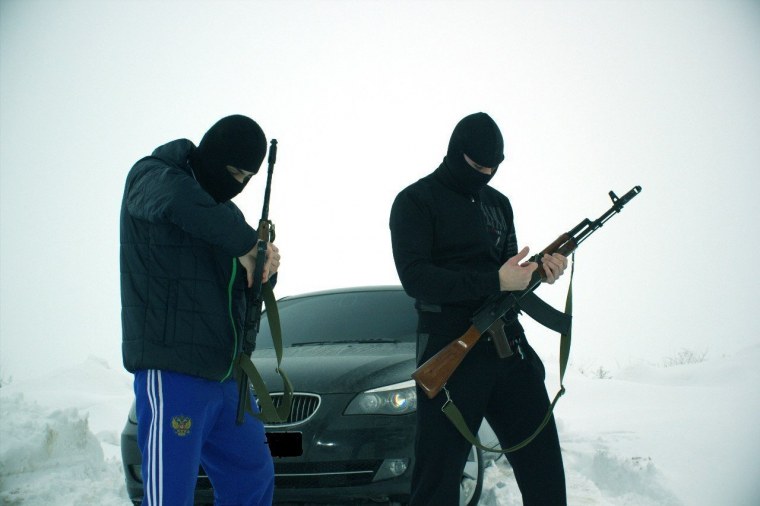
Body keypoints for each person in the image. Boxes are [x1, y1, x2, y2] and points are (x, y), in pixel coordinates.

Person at [389, 112, 568, 505]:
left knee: (546, 476)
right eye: (477, 166)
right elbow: (416, 278)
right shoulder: (415, 201)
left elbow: (508, 272)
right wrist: (496, 281)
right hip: (449, 352)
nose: (485, 174)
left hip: (509, 349)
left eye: (493, 168)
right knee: (436, 484)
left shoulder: (499, 204)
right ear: (456, 153)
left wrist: (538, 273)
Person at [120, 114, 281, 506]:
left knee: (253, 479)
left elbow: (242, 286)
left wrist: (265, 267)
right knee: (170, 494)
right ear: (212, 155)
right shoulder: (152, 177)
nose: (239, 185)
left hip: (228, 377)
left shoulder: (225, 214)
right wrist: (247, 244)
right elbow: (179, 201)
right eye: (234, 172)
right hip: (175, 371)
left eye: (248, 178)